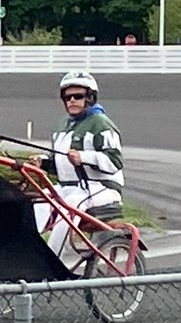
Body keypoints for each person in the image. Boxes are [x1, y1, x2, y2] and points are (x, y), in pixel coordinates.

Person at [37, 71, 125, 256]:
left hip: (101, 188)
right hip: (69, 187)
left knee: (68, 208)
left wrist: (84, 158)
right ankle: (31, 255)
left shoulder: (101, 124)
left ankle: (52, 264)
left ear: (90, 98)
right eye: (67, 97)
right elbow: (61, 165)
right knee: (38, 202)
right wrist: (43, 163)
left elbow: (115, 161)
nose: (72, 100)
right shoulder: (63, 126)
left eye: (78, 96)